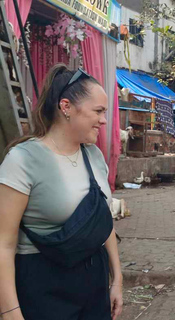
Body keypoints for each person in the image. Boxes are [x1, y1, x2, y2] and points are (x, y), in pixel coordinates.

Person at [0, 64, 123, 320]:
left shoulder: (93, 155)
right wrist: (10, 312)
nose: (104, 120)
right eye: (98, 111)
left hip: (94, 282)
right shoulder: (23, 159)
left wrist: (117, 279)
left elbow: (102, 220)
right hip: (43, 286)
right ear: (66, 107)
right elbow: (4, 243)